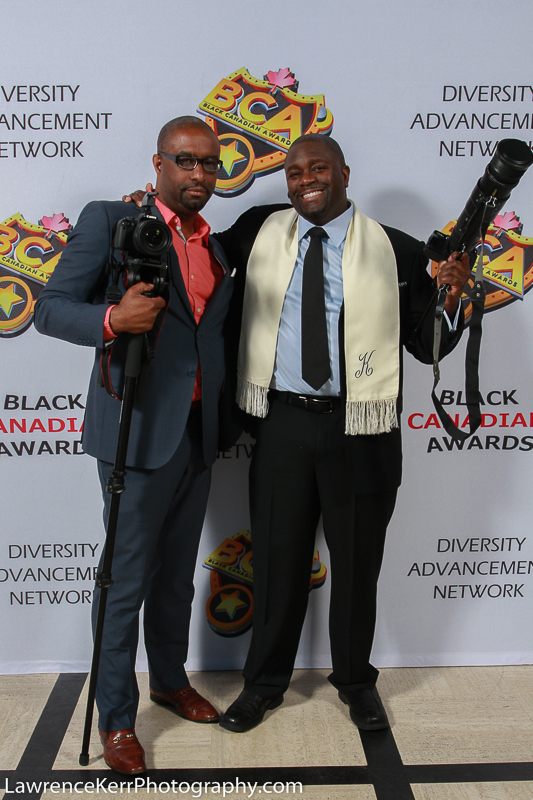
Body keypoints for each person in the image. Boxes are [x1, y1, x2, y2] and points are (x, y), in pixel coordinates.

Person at [211, 134, 471, 733]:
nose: (305, 179)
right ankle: (263, 686)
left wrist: (452, 297)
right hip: (282, 422)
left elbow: (426, 345)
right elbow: (196, 254)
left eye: (318, 168)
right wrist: (147, 214)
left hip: (363, 426)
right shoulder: (256, 231)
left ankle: (356, 683)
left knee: (356, 566)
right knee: (275, 561)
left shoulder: (398, 250)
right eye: (294, 171)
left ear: (345, 173)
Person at [34, 116, 235, 774]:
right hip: (135, 431)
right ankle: (116, 719)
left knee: (176, 577)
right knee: (124, 581)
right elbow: (49, 308)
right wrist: (112, 319)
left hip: (198, 433)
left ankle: (170, 682)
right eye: (186, 161)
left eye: (209, 163)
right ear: (158, 164)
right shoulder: (112, 220)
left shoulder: (215, 245)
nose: (199, 174)